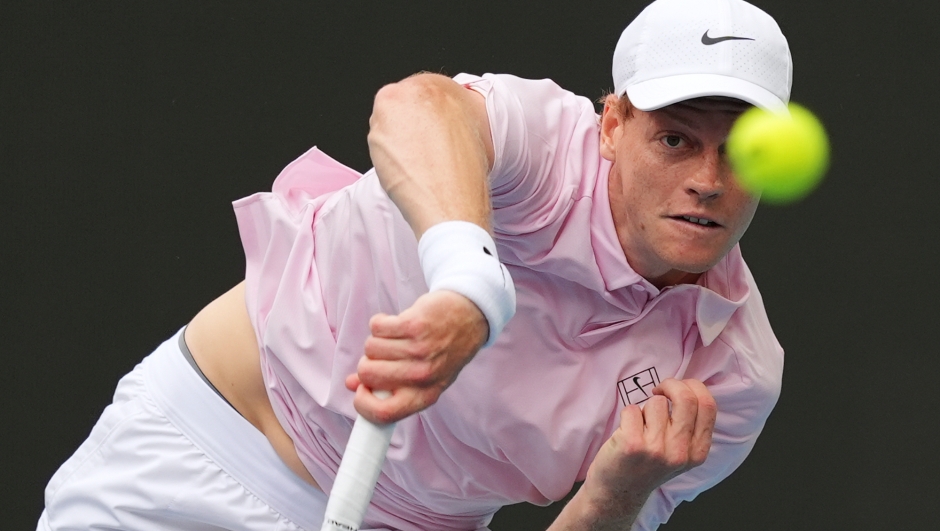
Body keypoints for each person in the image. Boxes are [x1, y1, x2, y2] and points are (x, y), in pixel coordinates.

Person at [37, 0, 792, 529]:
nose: (708, 180)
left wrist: (619, 492)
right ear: (613, 125)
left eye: (744, 152)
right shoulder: (540, 144)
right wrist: (469, 280)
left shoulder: (736, 370)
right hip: (195, 451)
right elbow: (416, 106)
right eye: (675, 140)